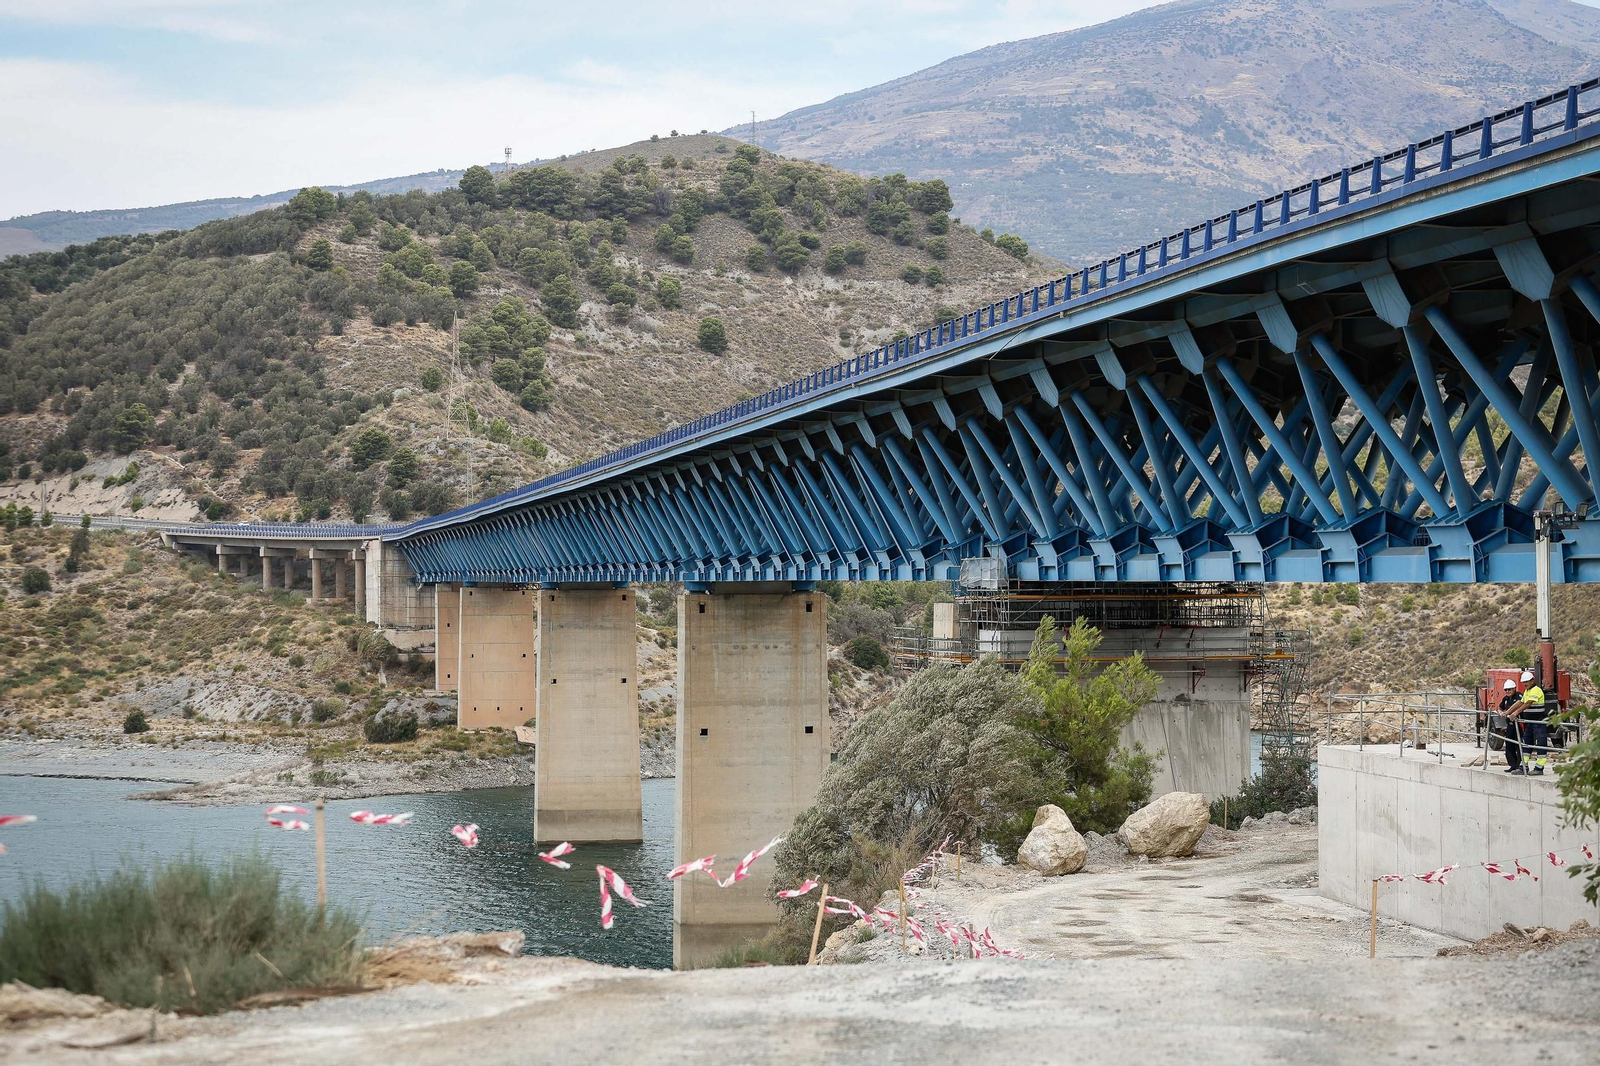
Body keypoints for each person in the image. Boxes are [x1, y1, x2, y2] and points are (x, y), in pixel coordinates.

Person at [1505, 670, 1549, 775]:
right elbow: (1521, 702)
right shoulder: (1527, 691)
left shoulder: (1536, 690)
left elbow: (1528, 703)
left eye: (1527, 682)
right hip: (1530, 722)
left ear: (1533, 680)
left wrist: (1515, 713)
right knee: (1526, 744)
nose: (1525, 684)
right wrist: (1507, 712)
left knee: (1540, 745)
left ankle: (1539, 768)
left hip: (1539, 722)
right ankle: (1523, 767)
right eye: (1523, 682)